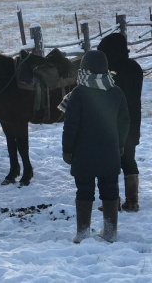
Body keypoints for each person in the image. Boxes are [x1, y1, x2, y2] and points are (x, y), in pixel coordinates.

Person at [62, 50, 130, 243]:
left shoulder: (78, 93)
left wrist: (67, 149)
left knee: (84, 190)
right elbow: (124, 122)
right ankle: (110, 232)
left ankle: (83, 232)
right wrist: (121, 144)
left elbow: (71, 125)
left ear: (83, 68)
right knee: (110, 189)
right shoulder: (116, 92)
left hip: (83, 154)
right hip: (110, 152)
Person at [98, 33, 143, 212]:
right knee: (129, 158)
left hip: (112, 124)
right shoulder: (135, 67)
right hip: (133, 122)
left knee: (110, 161)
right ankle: (132, 201)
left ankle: (113, 201)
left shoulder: (109, 72)